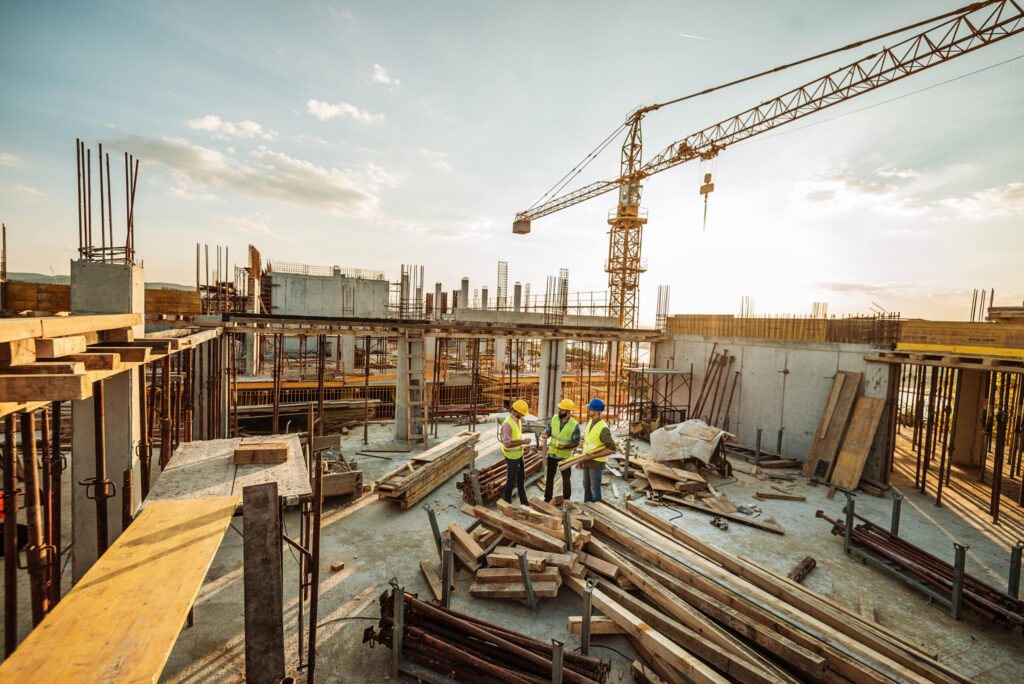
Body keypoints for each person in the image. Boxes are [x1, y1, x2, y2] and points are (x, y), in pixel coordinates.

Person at [579, 398, 617, 503]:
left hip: (596, 462)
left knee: (595, 489)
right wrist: (581, 459)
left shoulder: (603, 428)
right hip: (587, 460)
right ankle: (587, 506)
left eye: (590, 409)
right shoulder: (590, 422)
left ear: (597, 411)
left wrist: (594, 456)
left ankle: (596, 508)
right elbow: (587, 443)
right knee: (586, 486)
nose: (588, 410)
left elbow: (612, 449)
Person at [543, 398, 580, 502]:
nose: (559, 411)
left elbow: (576, 442)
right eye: (560, 409)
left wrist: (564, 447)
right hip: (552, 454)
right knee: (549, 478)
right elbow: (548, 430)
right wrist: (546, 435)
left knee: (566, 480)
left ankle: (567, 501)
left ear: (568, 411)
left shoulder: (574, 425)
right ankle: (547, 499)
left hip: (565, 457)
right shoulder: (554, 418)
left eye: (562, 409)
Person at [500, 399, 532, 504]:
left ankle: (524, 501)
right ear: (515, 411)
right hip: (511, 457)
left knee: (521, 478)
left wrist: (522, 442)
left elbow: (516, 436)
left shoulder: (517, 420)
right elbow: (507, 444)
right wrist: (523, 442)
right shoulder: (507, 424)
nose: (522, 416)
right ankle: (506, 502)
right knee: (511, 481)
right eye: (521, 414)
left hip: (519, 454)